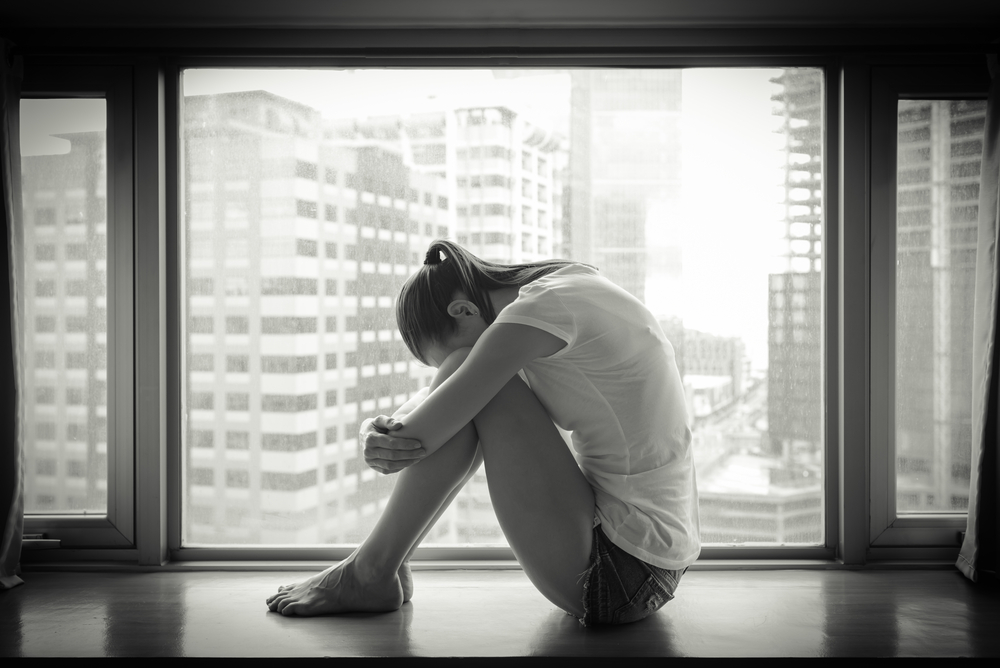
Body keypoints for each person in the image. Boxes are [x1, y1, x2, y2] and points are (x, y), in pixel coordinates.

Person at [266, 240, 700, 625]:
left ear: (462, 311)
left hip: (616, 573)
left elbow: (430, 423)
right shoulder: (565, 290)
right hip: (645, 562)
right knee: (468, 389)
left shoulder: (539, 311)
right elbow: (445, 400)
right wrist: (376, 428)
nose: (468, 362)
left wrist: (379, 434)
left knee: (467, 384)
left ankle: (371, 570)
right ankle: (382, 564)